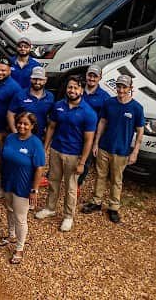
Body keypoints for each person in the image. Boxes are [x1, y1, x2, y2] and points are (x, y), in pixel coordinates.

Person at [35, 75, 97, 232]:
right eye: (70, 87)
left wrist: (82, 162)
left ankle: (68, 216)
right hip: (56, 150)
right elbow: (51, 127)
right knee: (53, 182)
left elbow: (89, 140)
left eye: (76, 87)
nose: (72, 90)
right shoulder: (58, 106)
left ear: (81, 90)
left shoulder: (88, 113)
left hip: (74, 155)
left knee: (70, 187)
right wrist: (45, 148)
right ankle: (50, 208)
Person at [81, 74, 144, 224]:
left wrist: (135, 151)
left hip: (121, 151)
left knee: (116, 179)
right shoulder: (109, 103)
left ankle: (113, 207)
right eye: (119, 86)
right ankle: (96, 202)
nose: (121, 90)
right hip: (104, 147)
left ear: (130, 88)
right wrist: (96, 143)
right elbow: (102, 122)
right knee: (100, 175)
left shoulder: (136, 108)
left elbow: (140, 131)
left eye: (124, 87)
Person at [0, 112, 46, 264]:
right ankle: (11, 235)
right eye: (20, 123)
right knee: (9, 210)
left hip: (23, 186)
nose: (22, 126)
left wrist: (34, 190)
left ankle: (19, 248)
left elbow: (39, 168)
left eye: (26, 124)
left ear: (32, 126)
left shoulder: (36, 143)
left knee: (20, 218)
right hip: (8, 182)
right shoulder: (11, 138)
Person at [0, 56, 22, 195]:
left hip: (3, 130)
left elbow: (17, 110)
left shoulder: (14, 88)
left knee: (1, 158)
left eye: (3, 70)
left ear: (9, 71)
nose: (0, 72)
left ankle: (0, 184)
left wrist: (11, 129)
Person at [78, 64, 112, 189]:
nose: (92, 78)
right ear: (86, 75)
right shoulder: (77, 89)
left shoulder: (104, 97)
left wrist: (98, 140)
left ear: (100, 78)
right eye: (90, 75)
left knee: (86, 159)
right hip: (74, 130)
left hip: (91, 134)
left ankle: (78, 183)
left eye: (95, 76)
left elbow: (105, 120)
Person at [7, 67, 53, 142]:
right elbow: (10, 114)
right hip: (21, 137)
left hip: (40, 138)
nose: (37, 82)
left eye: (40, 79)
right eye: (35, 79)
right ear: (30, 79)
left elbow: (51, 120)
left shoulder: (50, 97)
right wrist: (15, 132)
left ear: (45, 80)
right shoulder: (20, 95)